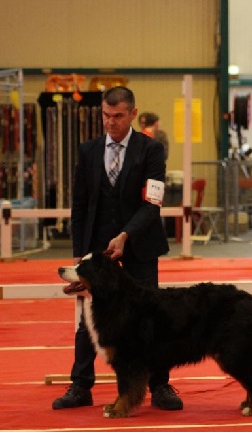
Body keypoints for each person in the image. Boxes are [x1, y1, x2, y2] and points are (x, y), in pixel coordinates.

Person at [52, 86, 183, 412]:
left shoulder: (151, 150)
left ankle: (160, 386)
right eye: (106, 116)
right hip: (95, 250)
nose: (110, 122)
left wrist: (126, 235)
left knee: (150, 318)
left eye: (118, 116)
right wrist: (80, 255)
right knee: (87, 318)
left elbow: (152, 203)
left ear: (133, 114)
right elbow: (79, 207)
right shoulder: (88, 151)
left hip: (139, 245)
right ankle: (81, 385)